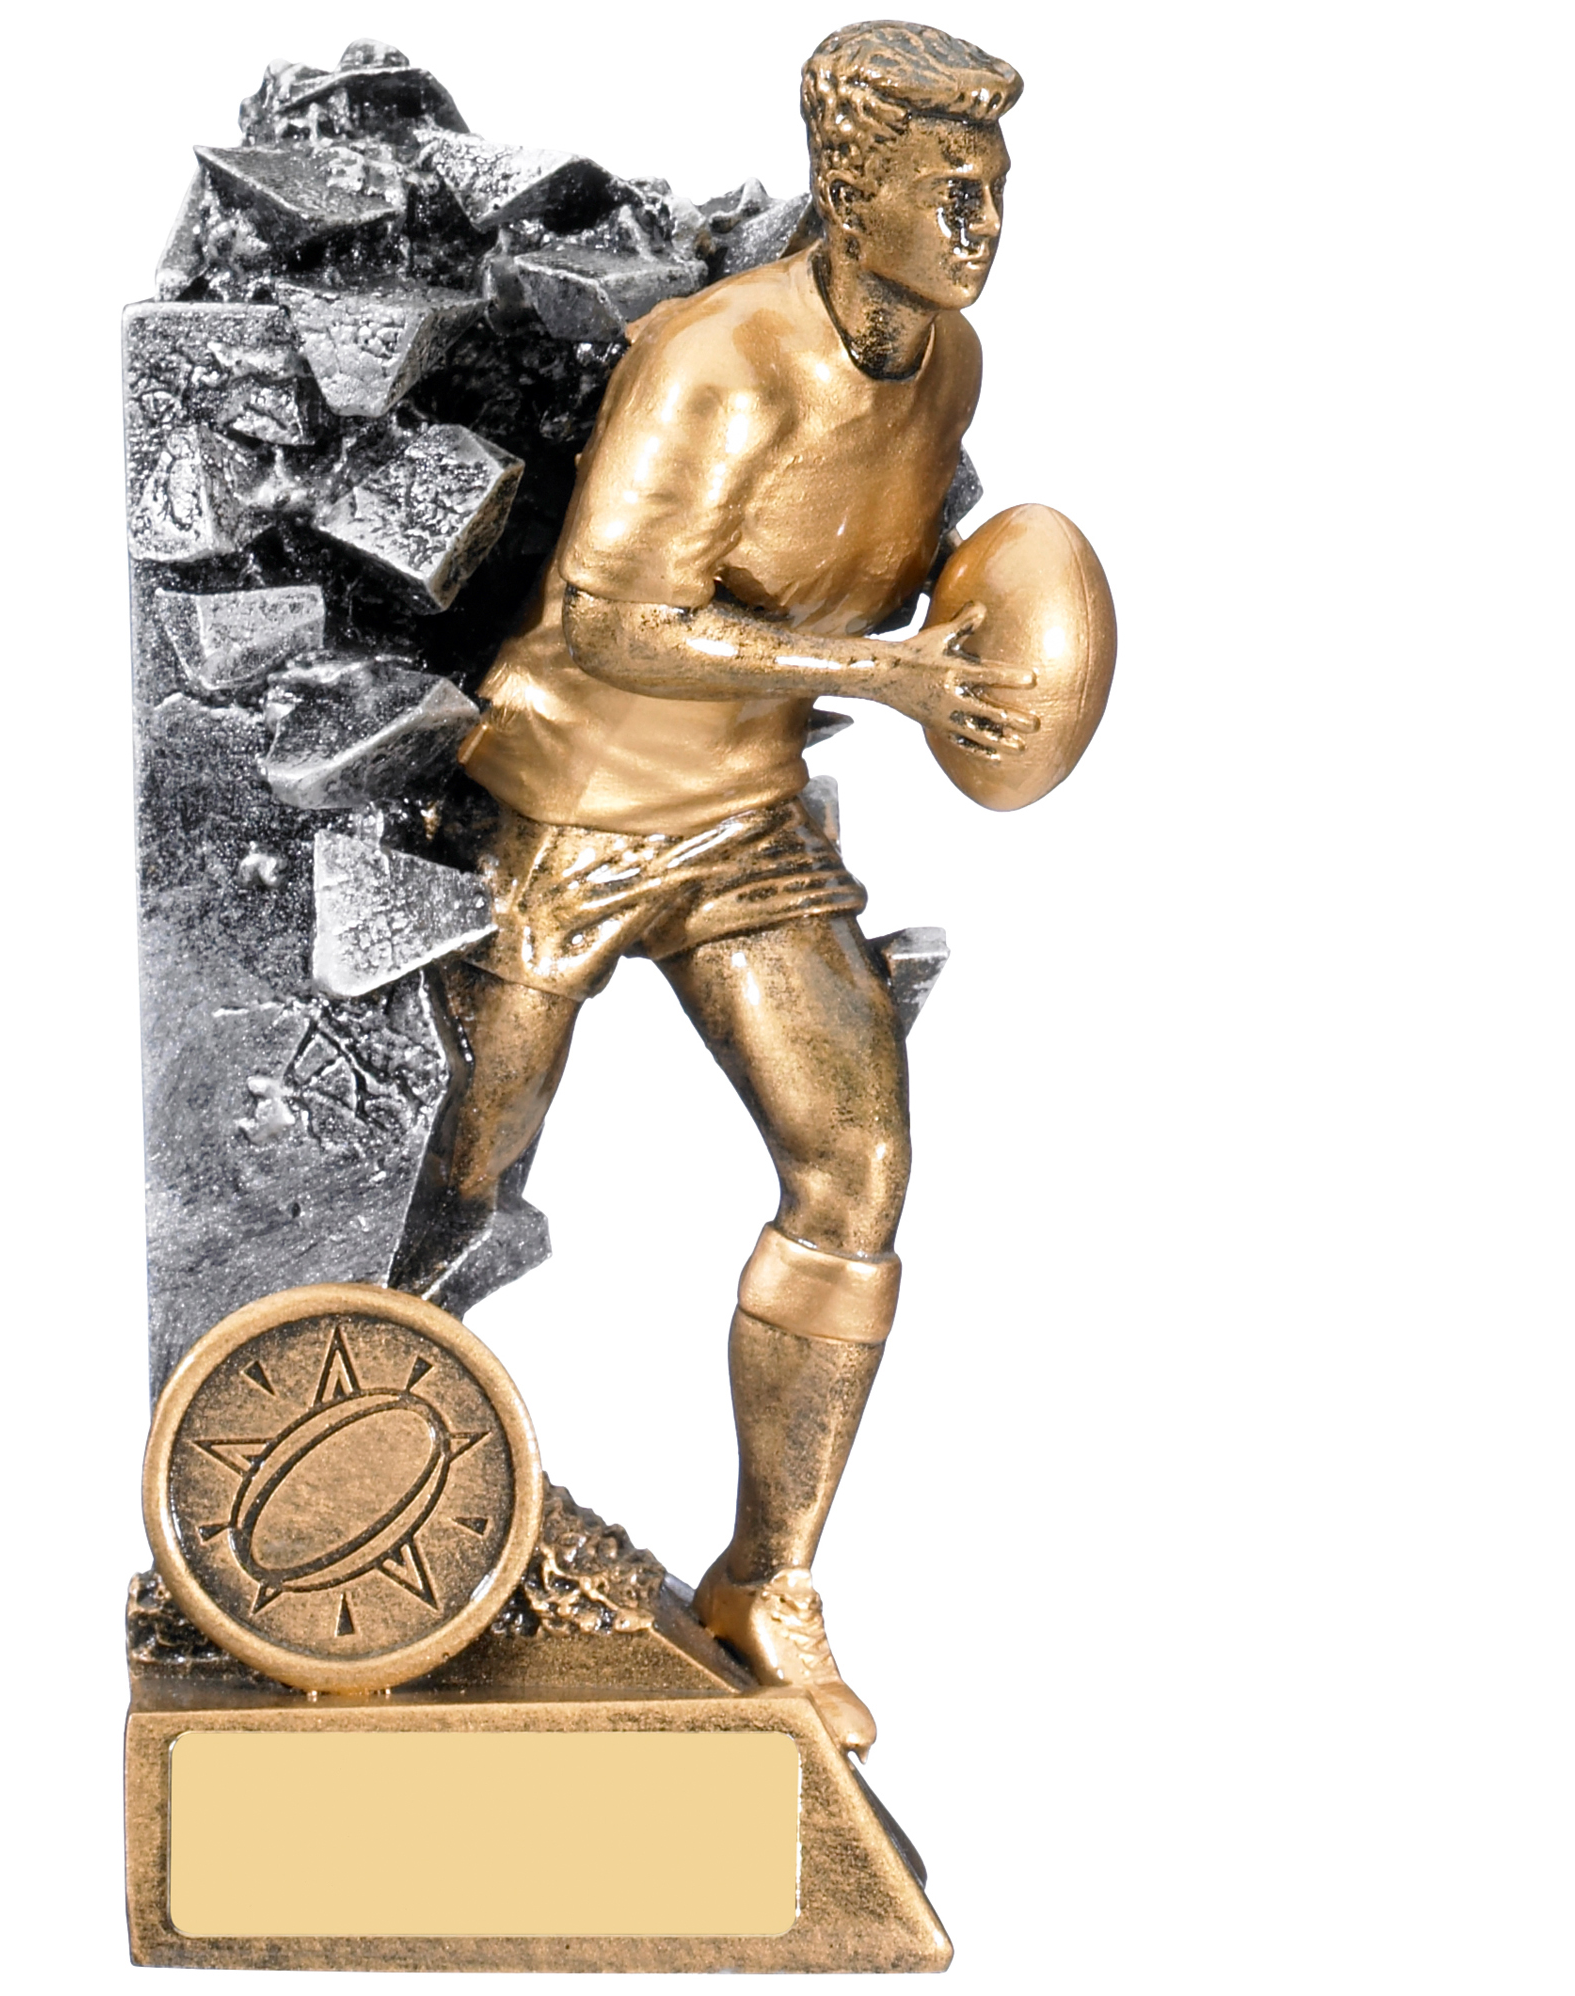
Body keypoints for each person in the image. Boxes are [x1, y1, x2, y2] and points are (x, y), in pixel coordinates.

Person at [413, 21, 1029, 1755]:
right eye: (951, 190)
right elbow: (612, 618)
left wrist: (995, 651)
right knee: (461, 1188)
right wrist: (888, 678)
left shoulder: (951, 366)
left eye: (998, 192)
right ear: (850, 184)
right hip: (575, 807)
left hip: (748, 812)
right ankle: (378, 1522)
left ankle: (768, 1580)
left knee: (856, 1162)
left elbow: (889, 567)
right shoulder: (720, 360)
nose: (982, 226)